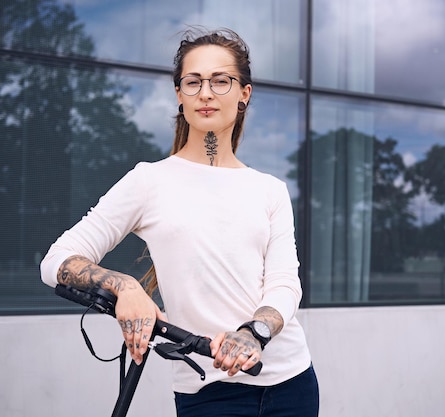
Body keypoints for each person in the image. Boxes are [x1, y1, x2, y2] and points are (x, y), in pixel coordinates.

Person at [40, 27, 319, 417]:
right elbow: (55, 261)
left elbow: (285, 284)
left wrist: (253, 333)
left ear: (244, 94)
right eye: (193, 82)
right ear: (179, 95)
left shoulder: (269, 190)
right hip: (208, 390)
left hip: (292, 382)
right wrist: (125, 286)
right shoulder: (148, 181)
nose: (206, 93)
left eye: (221, 81)